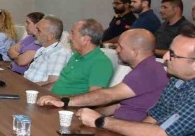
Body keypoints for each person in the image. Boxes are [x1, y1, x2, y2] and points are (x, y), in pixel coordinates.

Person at [76, 29, 195, 136]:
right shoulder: (176, 81)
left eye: (173, 54)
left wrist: (101, 121)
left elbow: (160, 135)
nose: (165, 57)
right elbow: (152, 119)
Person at [38, 29, 168, 121]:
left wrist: (64, 102)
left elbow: (107, 95)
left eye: (121, 47)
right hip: (116, 124)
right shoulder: (144, 68)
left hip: (128, 134)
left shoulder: (148, 71)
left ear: (135, 51)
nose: (117, 50)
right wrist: (85, 114)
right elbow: (117, 105)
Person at [51, 19, 114, 96]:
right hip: (52, 98)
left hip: (65, 102)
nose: (69, 37)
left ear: (86, 40)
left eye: (73, 33)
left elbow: (94, 97)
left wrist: (61, 100)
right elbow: (61, 83)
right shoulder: (76, 55)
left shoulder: (101, 63)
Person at [24, 16, 72, 86]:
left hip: (35, 90)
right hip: (25, 84)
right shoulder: (42, 49)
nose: (35, 33)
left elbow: (52, 83)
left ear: (50, 36)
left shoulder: (60, 53)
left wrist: (27, 86)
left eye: (38, 30)